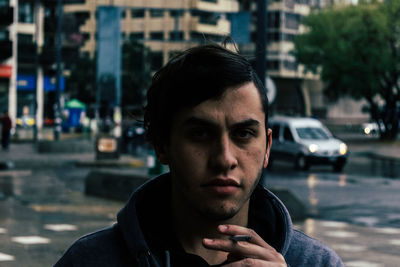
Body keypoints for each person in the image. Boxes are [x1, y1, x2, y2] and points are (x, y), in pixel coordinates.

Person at [55, 43, 344, 266]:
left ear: (267, 147)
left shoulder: (315, 262)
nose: (224, 158)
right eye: (200, 134)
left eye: (243, 134)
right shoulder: (90, 260)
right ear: (161, 144)